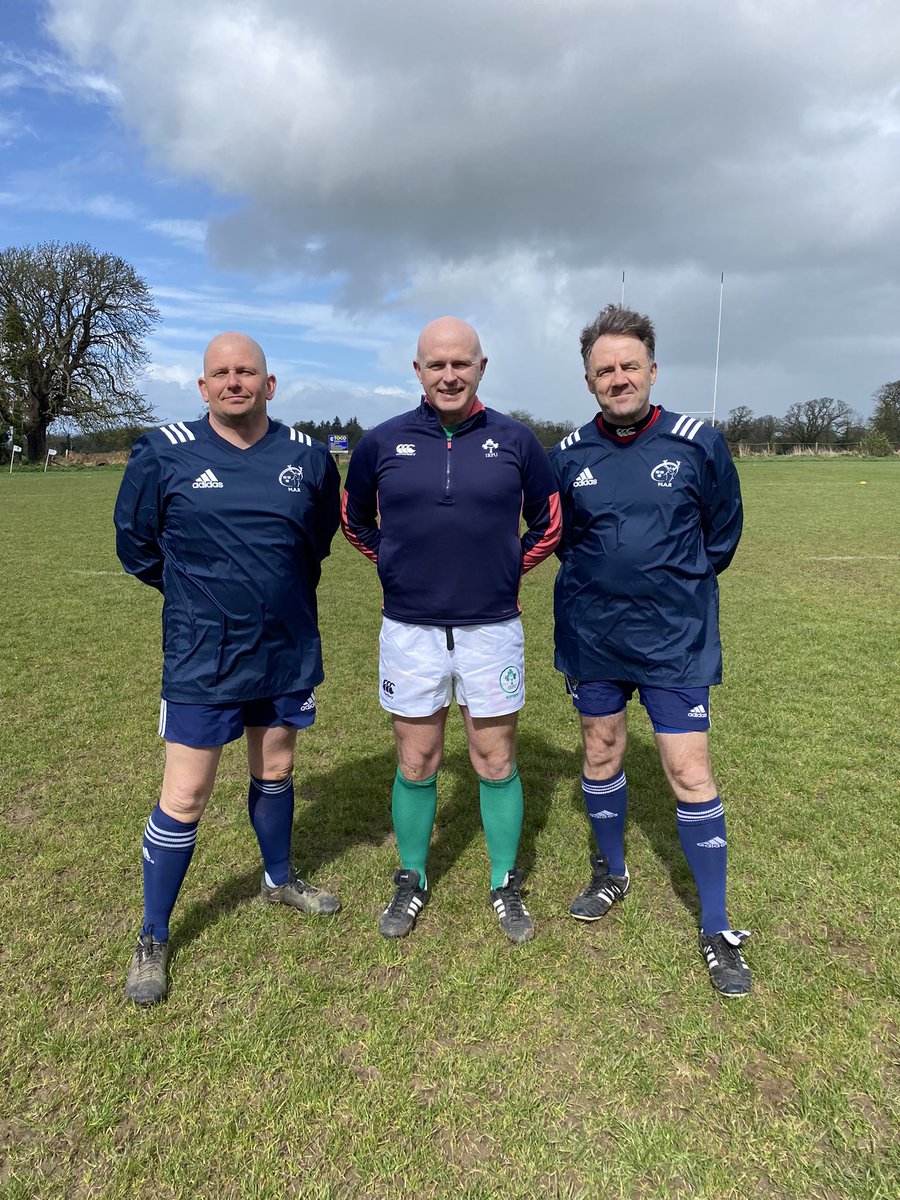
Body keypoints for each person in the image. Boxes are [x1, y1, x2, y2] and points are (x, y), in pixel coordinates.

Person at [114, 332, 341, 1006]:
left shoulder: (307, 455)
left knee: (274, 770)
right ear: (203, 385)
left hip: (284, 647)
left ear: (269, 384)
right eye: (222, 373)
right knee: (185, 795)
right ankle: (153, 933)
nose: (235, 381)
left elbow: (318, 537)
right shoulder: (162, 452)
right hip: (201, 654)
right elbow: (136, 547)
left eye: (248, 372)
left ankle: (278, 878)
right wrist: (196, 596)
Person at [550, 304, 751, 997]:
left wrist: (669, 585)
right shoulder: (568, 456)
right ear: (589, 381)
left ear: (652, 370)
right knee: (600, 751)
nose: (618, 377)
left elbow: (721, 535)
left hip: (674, 640)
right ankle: (612, 873)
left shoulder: (700, 443)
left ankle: (717, 924)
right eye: (604, 370)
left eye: (629, 365)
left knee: (688, 771)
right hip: (594, 636)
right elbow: (558, 539)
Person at [341, 317, 561, 943]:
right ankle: (412, 877)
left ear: (481, 367)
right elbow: (354, 521)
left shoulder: (517, 440)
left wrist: (499, 570)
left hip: (491, 628)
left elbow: (548, 523)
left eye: (461, 363)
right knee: (418, 759)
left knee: (494, 759)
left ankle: (503, 882)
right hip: (409, 629)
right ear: (417, 370)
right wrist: (396, 564)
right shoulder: (380, 443)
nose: (449, 375)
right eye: (436, 364)